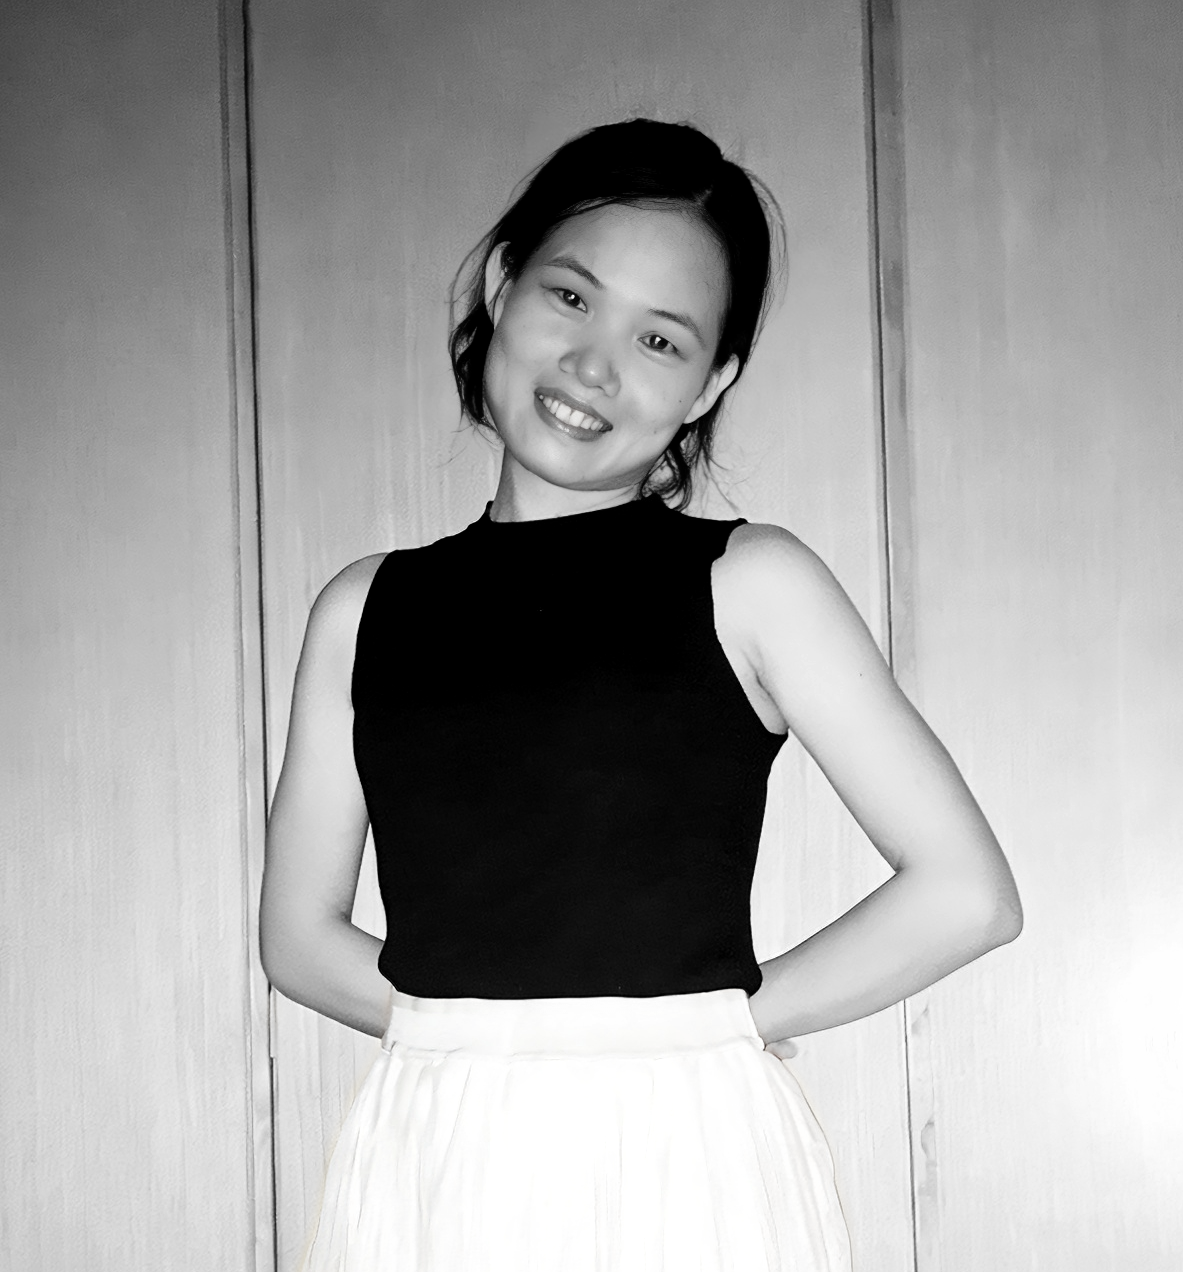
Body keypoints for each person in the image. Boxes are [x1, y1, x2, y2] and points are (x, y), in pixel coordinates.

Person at [259, 118, 1023, 1271]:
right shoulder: (363, 609)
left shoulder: (751, 582)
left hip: (688, 1150)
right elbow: (296, 939)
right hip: (434, 1148)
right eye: (571, 298)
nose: (595, 364)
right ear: (504, 287)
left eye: (659, 338)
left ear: (709, 380)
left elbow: (966, 895)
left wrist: (711, 1031)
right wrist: (472, 1042)